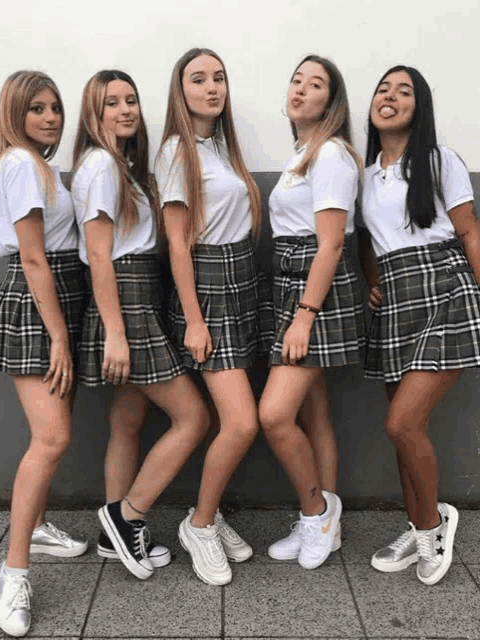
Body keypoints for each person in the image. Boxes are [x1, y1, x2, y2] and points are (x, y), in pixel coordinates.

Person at [71, 69, 209, 581]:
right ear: (94, 113)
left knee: (128, 420)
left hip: (137, 294)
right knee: (193, 418)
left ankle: (113, 538)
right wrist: (115, 332)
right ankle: (127, 517)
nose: (126, 109)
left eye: (131, 100)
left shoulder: (118, 166)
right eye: (112, 104)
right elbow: (100, 256)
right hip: (125, 300)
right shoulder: (103, 167)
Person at [359, 65, 480, 585]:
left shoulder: (437, 159)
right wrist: (371, 278)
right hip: (395, 300)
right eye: (383, 89)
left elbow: (469, 230)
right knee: (403, 432)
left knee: (402, 422)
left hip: (444, 288)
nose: (390, 97)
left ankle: (433, 524)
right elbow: (366, 238)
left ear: (420, 107)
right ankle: (418, 524)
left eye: (403, 91)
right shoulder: (363, 175)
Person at [0, 70, 88, 637]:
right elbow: (34, 258)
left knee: (51, 432)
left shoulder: (37, 164)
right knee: (53, 437)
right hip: (38, 304)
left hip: (55, 299)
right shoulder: (21, 164)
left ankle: (40, 527)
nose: (50, 118)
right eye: (36, 109)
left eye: (54, 108)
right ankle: (11, 570)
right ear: (15, 115)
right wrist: (61, 337)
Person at [154, 48, 263, 586]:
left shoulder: (220, 147)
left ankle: (211, 513)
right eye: (198, 79)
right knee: (243, 421)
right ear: (181, 90)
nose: (212, 88)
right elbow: (177, 243)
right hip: (208, 287)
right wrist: (195, 320)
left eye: (219, 77)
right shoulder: (177, 149)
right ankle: (198, 525)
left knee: (230, 419)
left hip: (242, 279)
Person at [258, 55, 364, 570]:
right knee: (313, 409)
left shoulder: (331, 156)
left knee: (274, 415)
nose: (300, 89)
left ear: (331, 102)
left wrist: (304, 315)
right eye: (296, 79)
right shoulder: (303, 153)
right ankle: (326, 525)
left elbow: (330, 245)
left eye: (315, 84)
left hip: (314, 290)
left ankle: (316, 511)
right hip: (292, 281)